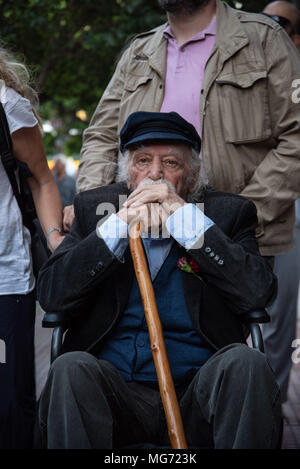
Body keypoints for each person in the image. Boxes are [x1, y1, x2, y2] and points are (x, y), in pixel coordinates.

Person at [37, 111, 281, 449]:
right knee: (70, 367)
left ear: (193, 175)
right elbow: (52, 294)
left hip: (197, 393)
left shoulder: (228, 214)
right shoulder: (95, 209)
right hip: (114, 395)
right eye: (142, 161)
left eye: (170, 163)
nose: (155, 174)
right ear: (126, 174)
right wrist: (117, 228)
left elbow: (258, 293)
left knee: (247, 362)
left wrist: (186, 221)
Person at [70, 0, 300, 262]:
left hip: (234, 246)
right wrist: (94, 212)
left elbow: (296, 138)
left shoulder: (265, 39)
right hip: (139, 242)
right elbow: (101, 136)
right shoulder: (138, 51)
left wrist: (239, 215)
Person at [0, 45, 64, 448]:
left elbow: (41, 178)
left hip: (5, 281)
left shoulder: (5, 103)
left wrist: (56, 240)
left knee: (8, 407)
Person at [259, 1, 300, 404]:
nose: (270, 28)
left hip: (288, 213)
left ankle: (270, 415)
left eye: (280, 23)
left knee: (277, 325)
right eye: (264, 20)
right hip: (252, 207)